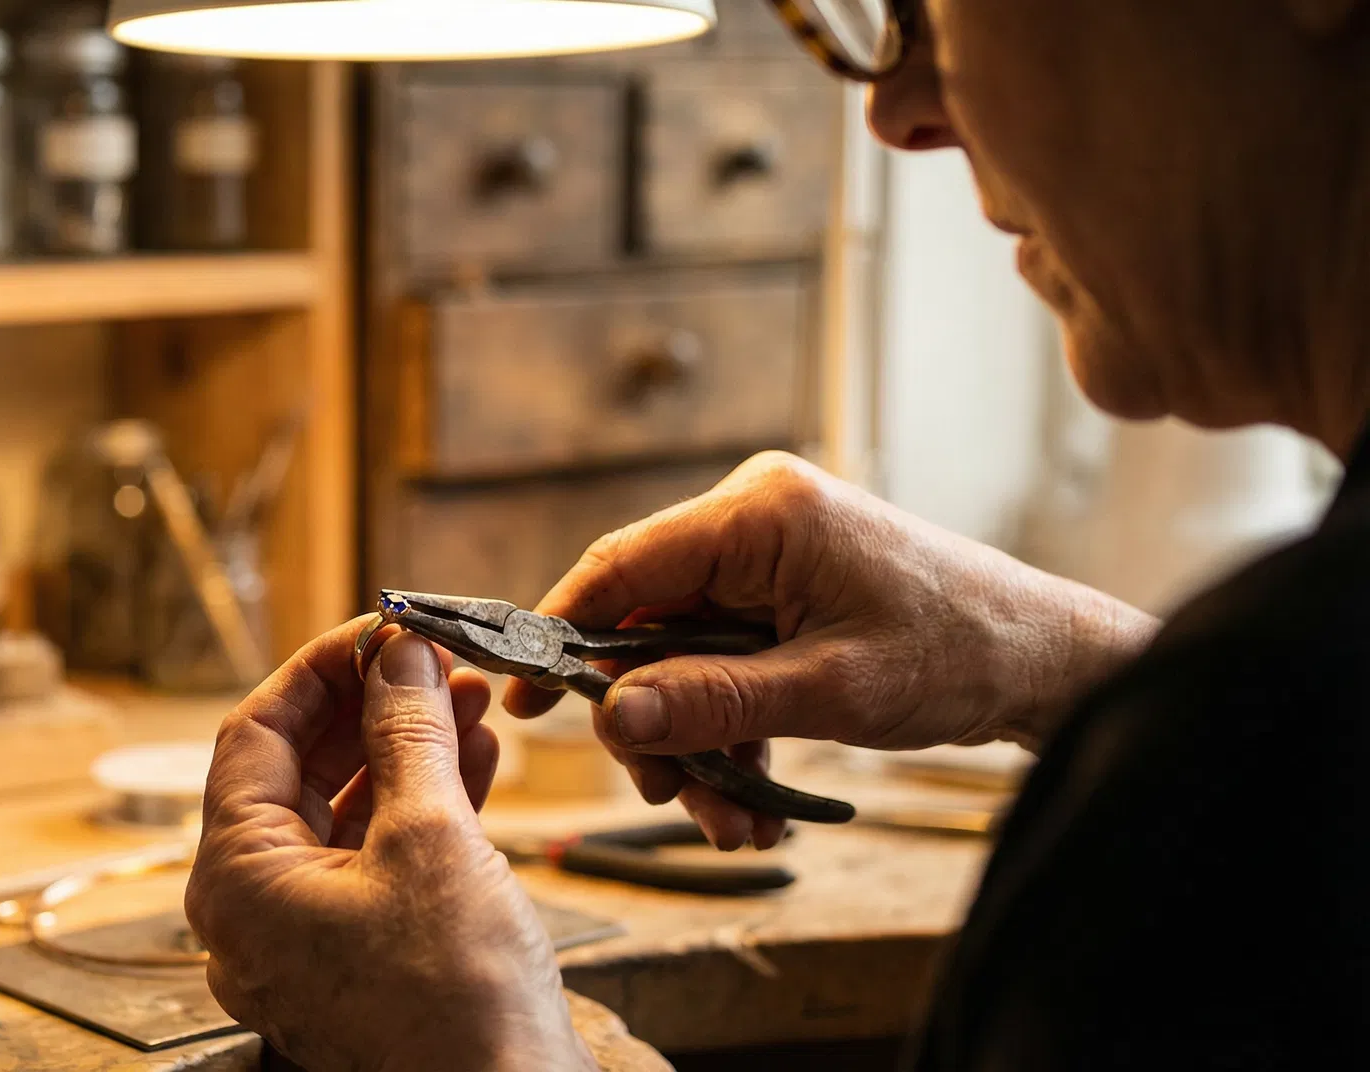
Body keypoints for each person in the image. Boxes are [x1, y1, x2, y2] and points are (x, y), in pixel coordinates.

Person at [184, 0, 1370, 1067]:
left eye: (930, 9)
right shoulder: (1273, 719)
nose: (898, 116)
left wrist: (476, 1043)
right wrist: (1051, 660)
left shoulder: (1247, 758)